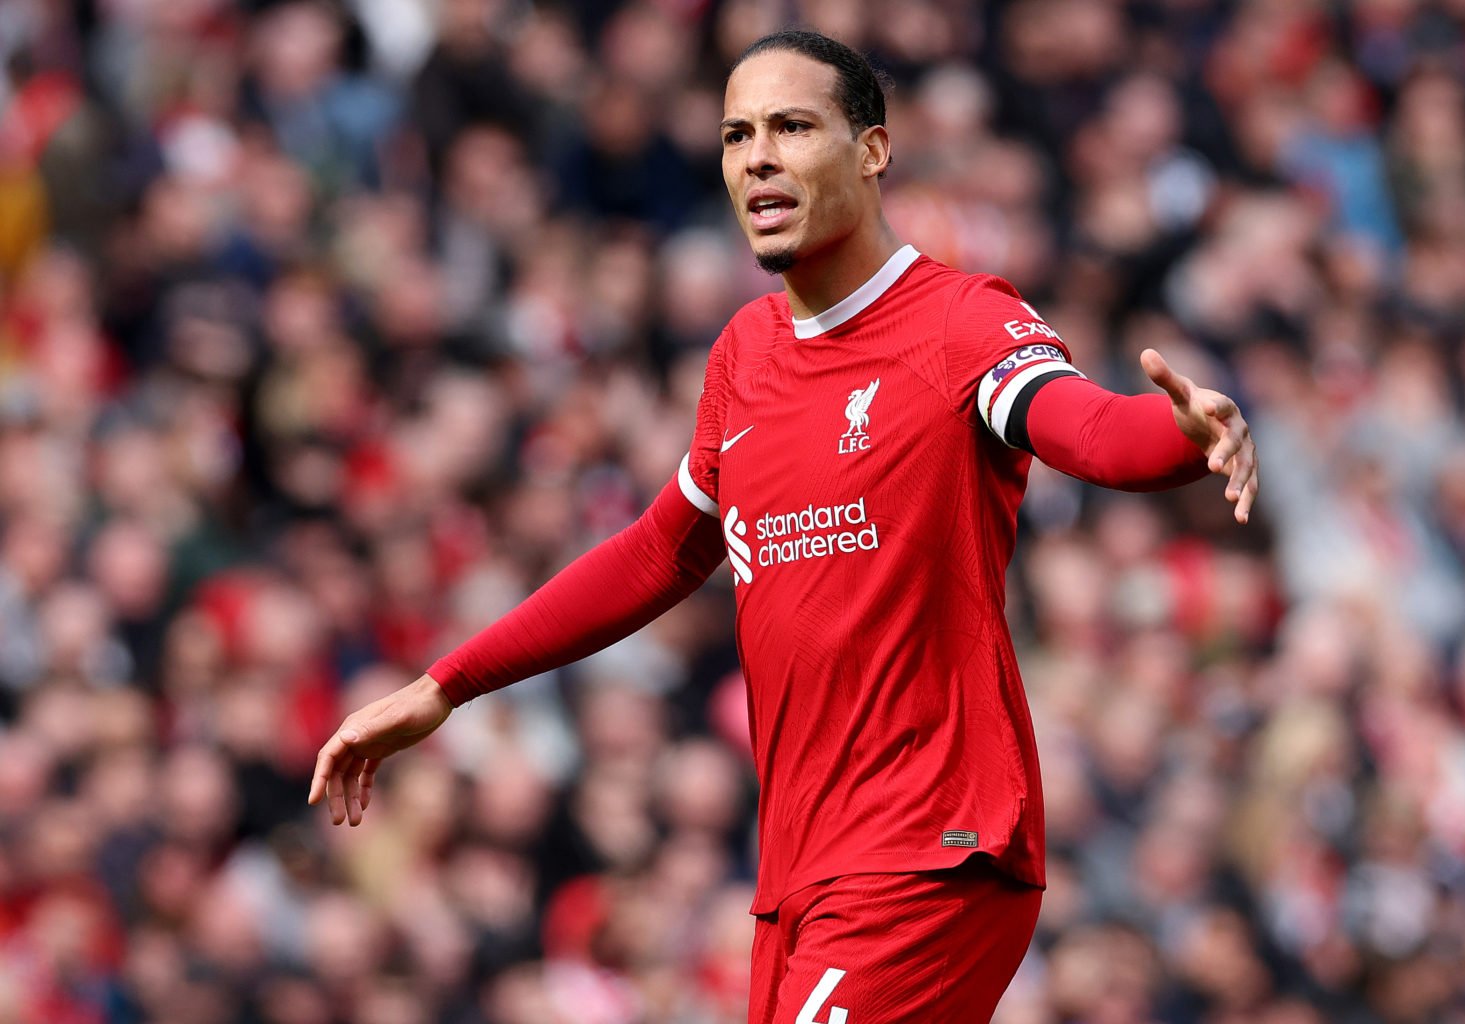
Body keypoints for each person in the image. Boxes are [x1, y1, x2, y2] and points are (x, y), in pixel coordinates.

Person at [309, 29, 1259, 1023]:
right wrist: (444, 684)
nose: (755, 155)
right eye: (735, 134)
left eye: (792, 126)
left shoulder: (960, 322)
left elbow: (1088, 425)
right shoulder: (745, 355)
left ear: (872, 151)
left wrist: (1185, 432)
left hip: (929, 855)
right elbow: (656, 551)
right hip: (802, 880)